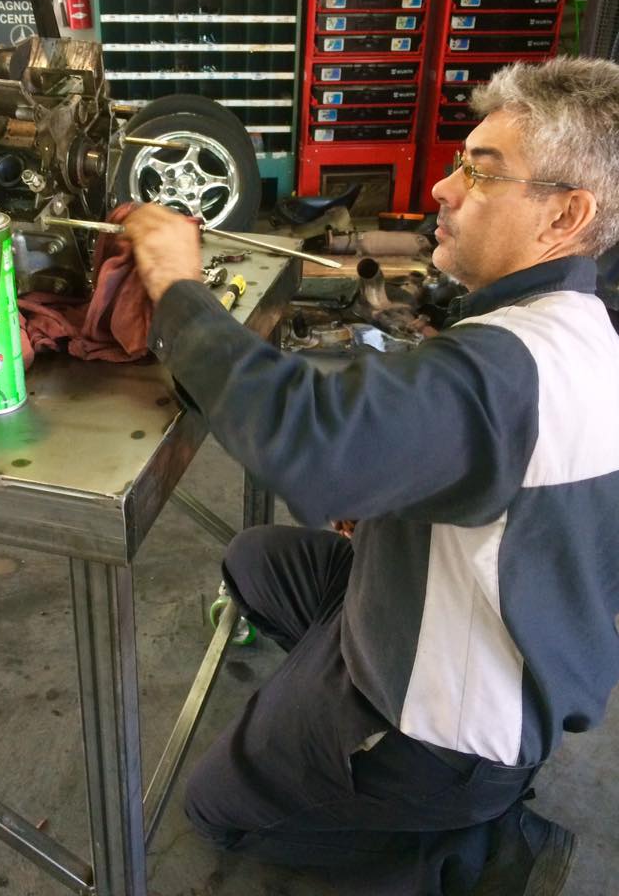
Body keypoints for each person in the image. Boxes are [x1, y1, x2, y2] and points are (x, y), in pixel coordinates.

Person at [123, 56, 619, 895]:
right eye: (462, 163)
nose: (442, 188)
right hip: (453, 625)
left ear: (565, 215)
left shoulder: (510, 368)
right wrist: (398, 500)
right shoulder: (574, 328)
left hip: (444, 734)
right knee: (255, 558)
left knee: (214, 810)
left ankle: (463, 847)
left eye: (481, 173)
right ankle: (327, 714)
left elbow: (307, 440)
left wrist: (176, 284)